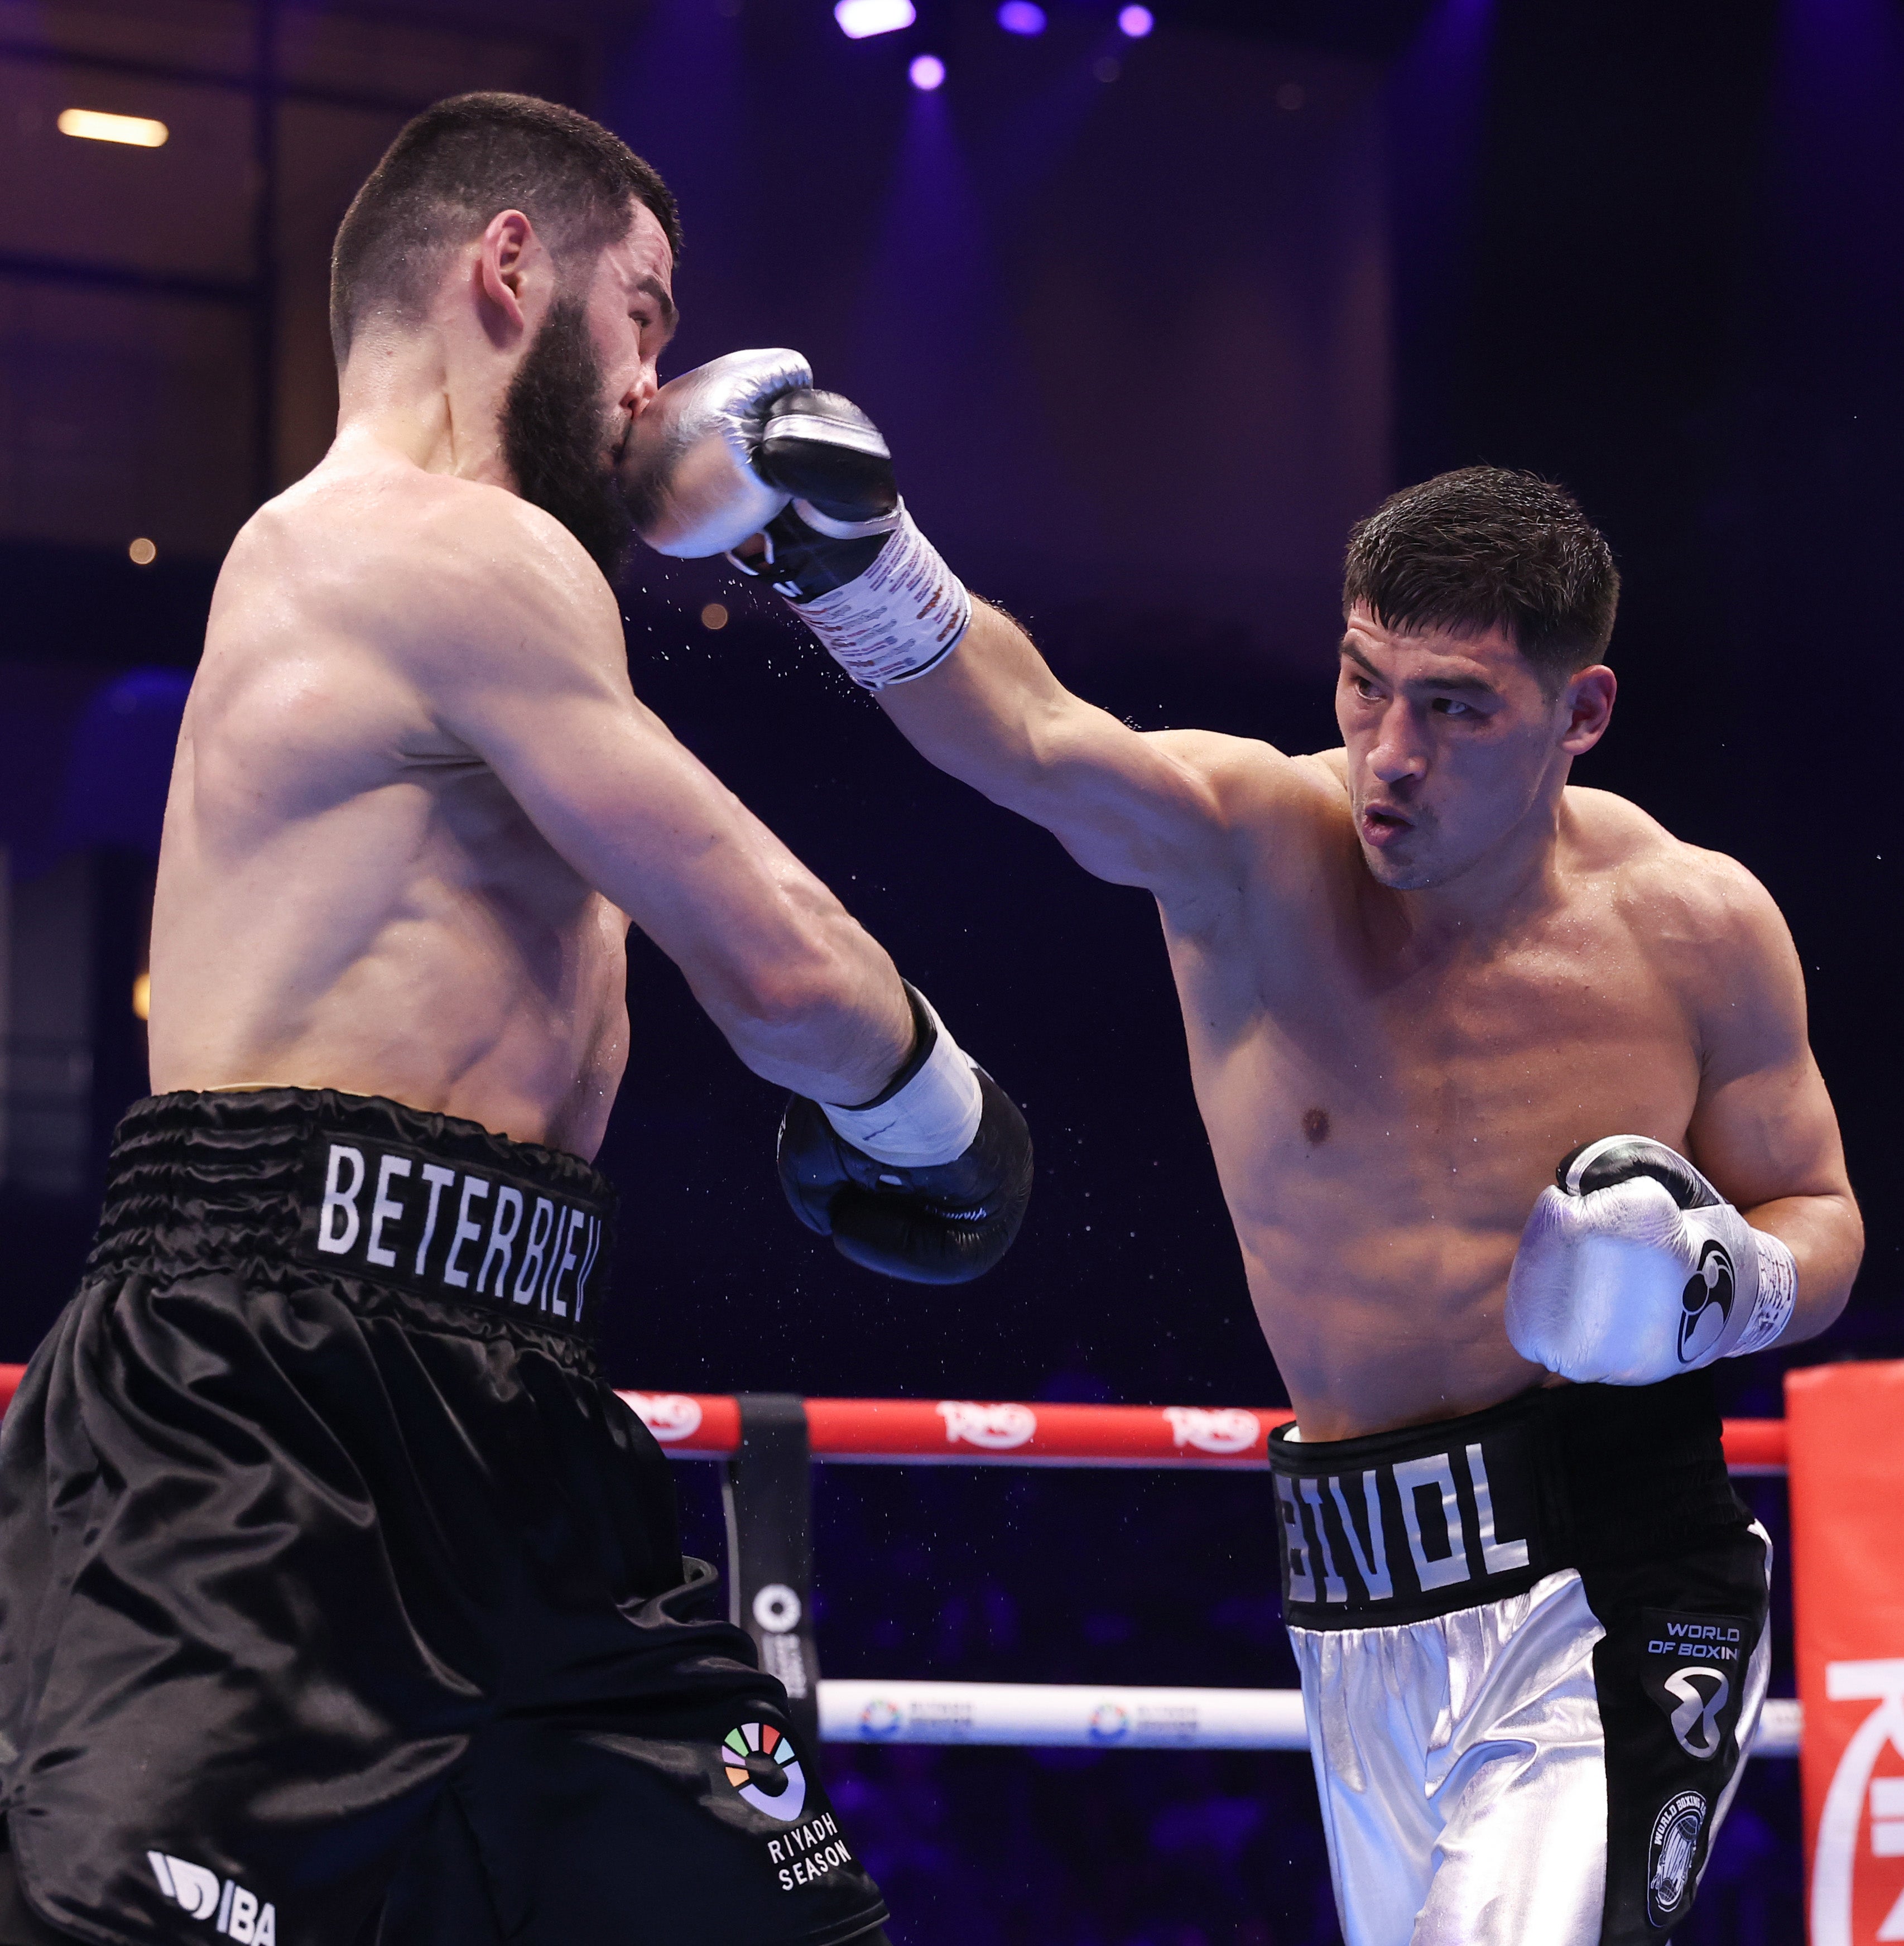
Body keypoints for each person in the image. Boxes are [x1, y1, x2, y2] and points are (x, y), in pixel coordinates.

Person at [619, 363, 1863, 1945]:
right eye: (1362, 684)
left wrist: (1719, 1284)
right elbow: (1029, 738)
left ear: (1581, 715)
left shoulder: (1694, 923)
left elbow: (1816, 1219)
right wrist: (855, 553)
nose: (1388, 753)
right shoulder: (1251, 852)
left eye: (1455, 708)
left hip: (1615, 1575)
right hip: (1354, 1601)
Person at [0, 97, 1032, 1946]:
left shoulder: (462, 578)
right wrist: (944, 1121)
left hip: (514, 1400)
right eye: (643, 313)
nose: (657, 383)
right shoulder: (431, 547)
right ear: (508, 269)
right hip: (267, 1398)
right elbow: (786, 963)